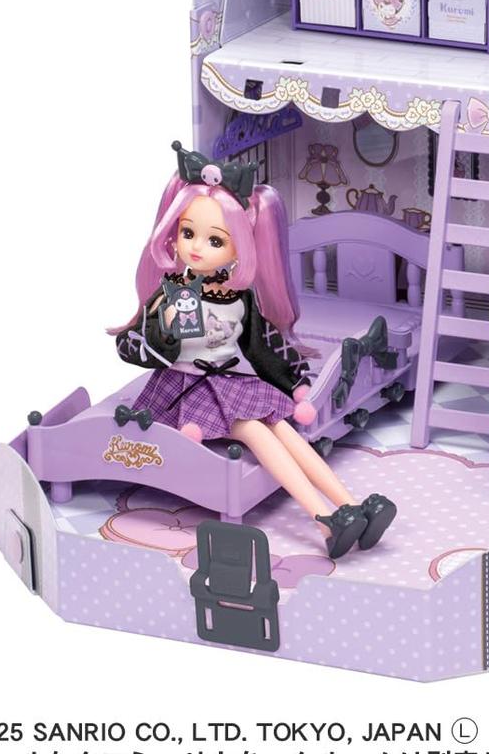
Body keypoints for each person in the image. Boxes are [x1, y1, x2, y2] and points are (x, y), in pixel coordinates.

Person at [111, 141, 395, 558]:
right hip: (184, 390)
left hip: (227, 383)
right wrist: (165, 328)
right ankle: (325, 521)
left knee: (283, 427)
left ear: (238, 246)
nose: (196, 247)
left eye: (215, 240)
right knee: (258, 431)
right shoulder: (170, 294)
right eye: (187, 233)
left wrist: (294, 384)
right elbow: (135, 348)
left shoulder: (238, 297)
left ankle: (351, 505)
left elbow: (261, 348)